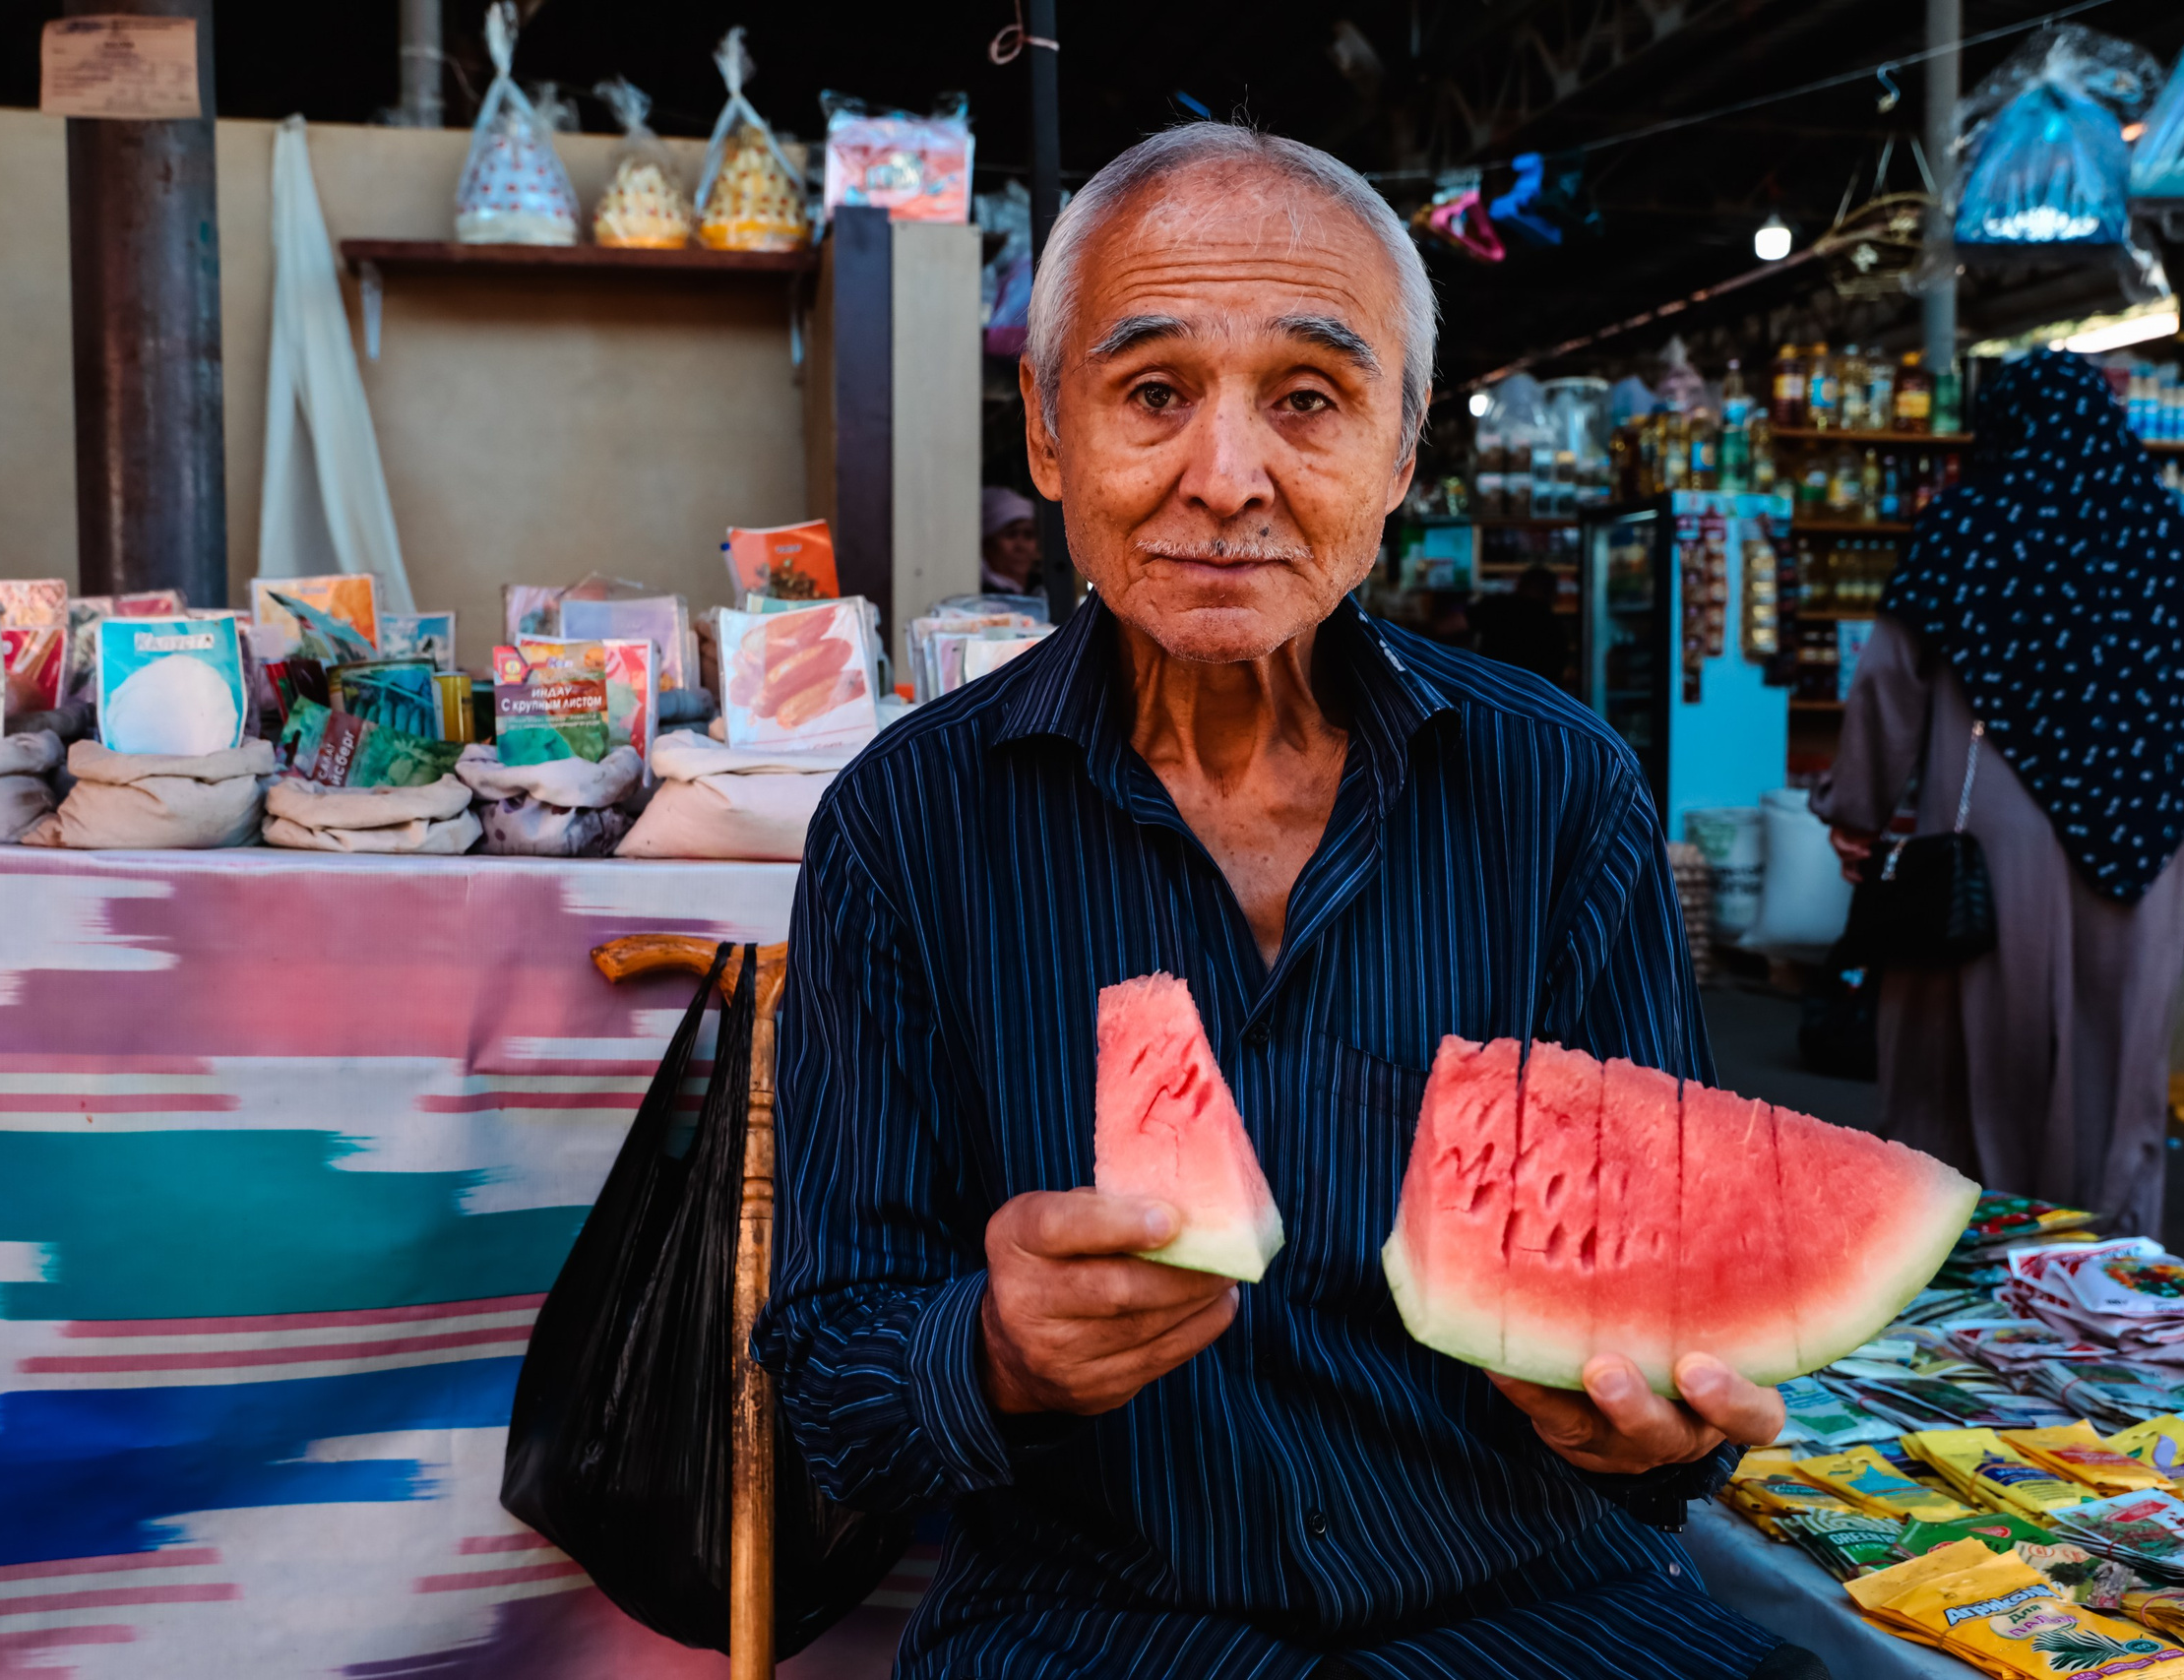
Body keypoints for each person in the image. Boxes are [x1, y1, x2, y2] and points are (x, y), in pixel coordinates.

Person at [759, 123, 1818, 1680]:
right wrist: (989, 1349)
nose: (1228, 477)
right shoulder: (908, 824)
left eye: (1310, 399)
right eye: (1154, 393)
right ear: (1051, 439)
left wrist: (1656, 1415)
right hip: (1097, 1628)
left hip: (1529, 1618)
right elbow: (835, 1379)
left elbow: (1659, 1334)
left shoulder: (1559, 791)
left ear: (1399, 455)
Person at [1812, 350, 2184, 1239]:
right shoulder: (2162, 535)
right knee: (2116, 1061)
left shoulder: (1967, 527)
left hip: (1990, 841)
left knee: (1970, 1053)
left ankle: (1961, 1258)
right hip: (2143, 849)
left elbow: (1890, 682)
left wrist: (1857, 812)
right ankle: (2104, 1265)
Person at [1467, 563, 1568, 686]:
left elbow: (1449, 625)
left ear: (1520, 585)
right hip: (1534, 699)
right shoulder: (1555, 629)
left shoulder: (1500, 608)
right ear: (1552, 593)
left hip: (1493, 691)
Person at [982, 484, 1043, 594]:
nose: (1021, 546)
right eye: (1010, 534)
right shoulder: (980, 597)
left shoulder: (1045, 591)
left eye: (1028, 535)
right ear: (987, 543)